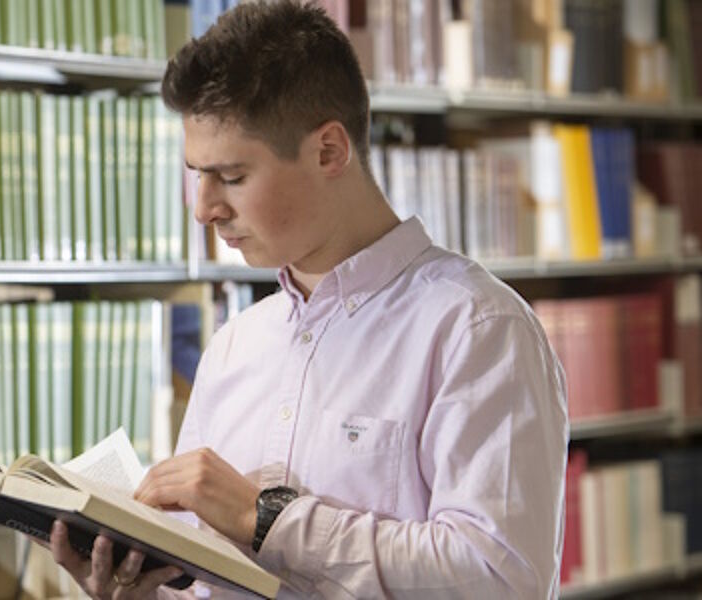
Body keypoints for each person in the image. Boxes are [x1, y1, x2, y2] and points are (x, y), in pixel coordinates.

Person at [47, 1, 569, 598]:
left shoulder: (478, 329)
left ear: (329, 152)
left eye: (232, 177)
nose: (204, 209)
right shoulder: (234, 346)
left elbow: (500, 580)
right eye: (197, 175)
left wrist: (265, 519)